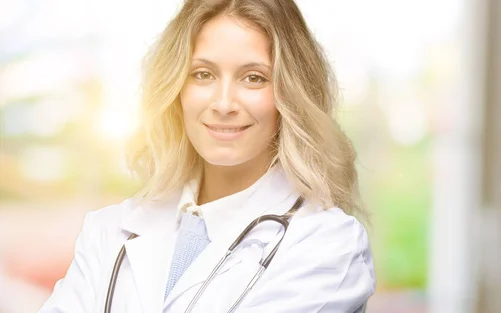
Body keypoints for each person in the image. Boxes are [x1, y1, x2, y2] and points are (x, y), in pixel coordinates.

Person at [39, 0, 376, 312]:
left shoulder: (328, 244)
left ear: (290, 94)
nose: (224, 103)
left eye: (253, 78)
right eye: (203, 74)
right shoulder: (109, 233)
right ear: (176, 88)